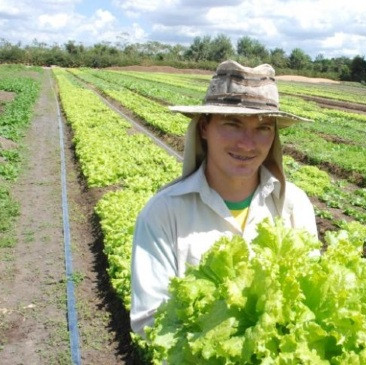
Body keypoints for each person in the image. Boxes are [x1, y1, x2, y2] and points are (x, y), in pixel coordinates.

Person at [130, 60, 318, 336]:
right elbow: (152, 324)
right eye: (233, 124)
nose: (247, 143)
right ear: (204, 127)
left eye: (263, 128)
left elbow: (309, 303)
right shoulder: (164, 213)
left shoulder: (294, 205)